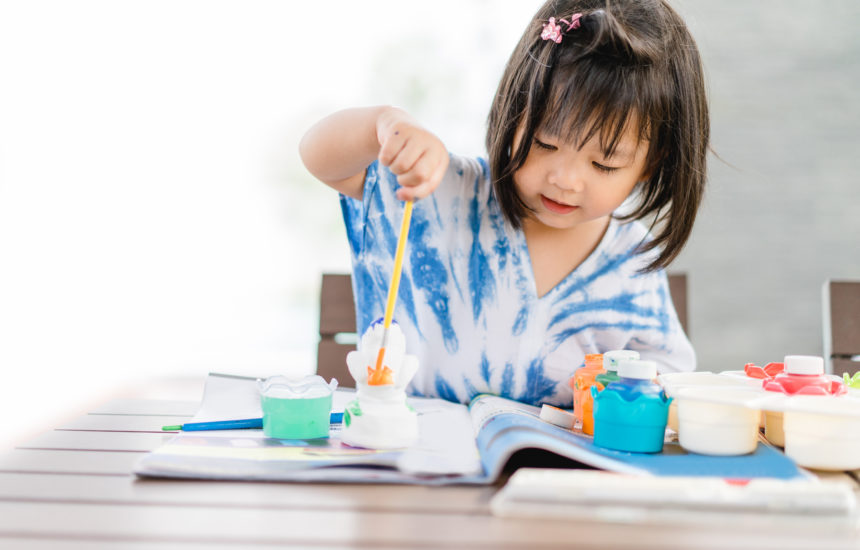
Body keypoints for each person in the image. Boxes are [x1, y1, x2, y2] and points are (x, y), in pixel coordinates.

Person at [299, 0, 707, 407]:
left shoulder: (632, 262)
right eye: (545, 143)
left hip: (547, 470)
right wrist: (384, 126)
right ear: (513, 114)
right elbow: (319, 158)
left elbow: (669, 375)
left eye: (604, 163)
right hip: (418, 459)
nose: (564, 179)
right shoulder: (443, 195)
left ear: (652, 164)